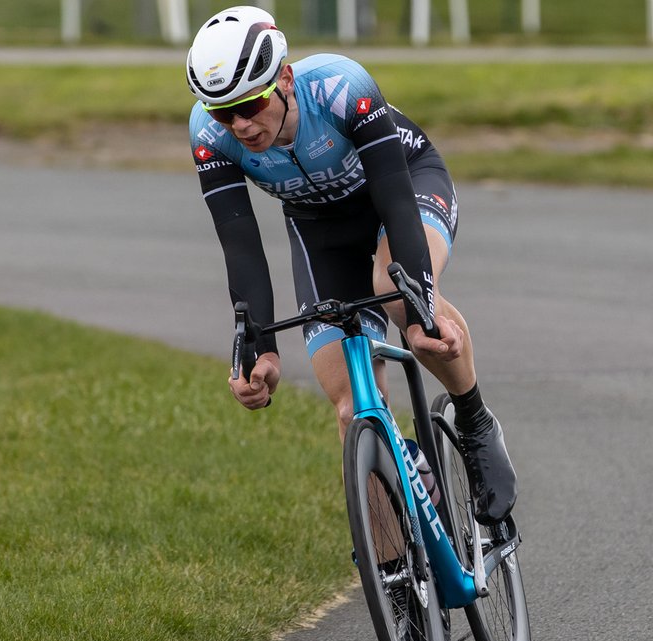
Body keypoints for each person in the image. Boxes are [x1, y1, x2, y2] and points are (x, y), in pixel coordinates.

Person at [186, 6, 516, 525]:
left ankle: (475, 423)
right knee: (350, 410)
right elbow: (241, 245)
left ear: (285, 78)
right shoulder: (209, 133)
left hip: (403, 186)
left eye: (250, 104)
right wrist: (260, 351)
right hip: (320, 230)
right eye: (225, 113)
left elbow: (397, 202)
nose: (242, 125)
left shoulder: (341, 86)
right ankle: (396, 585)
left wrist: (422, 313)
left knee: (391, 284)